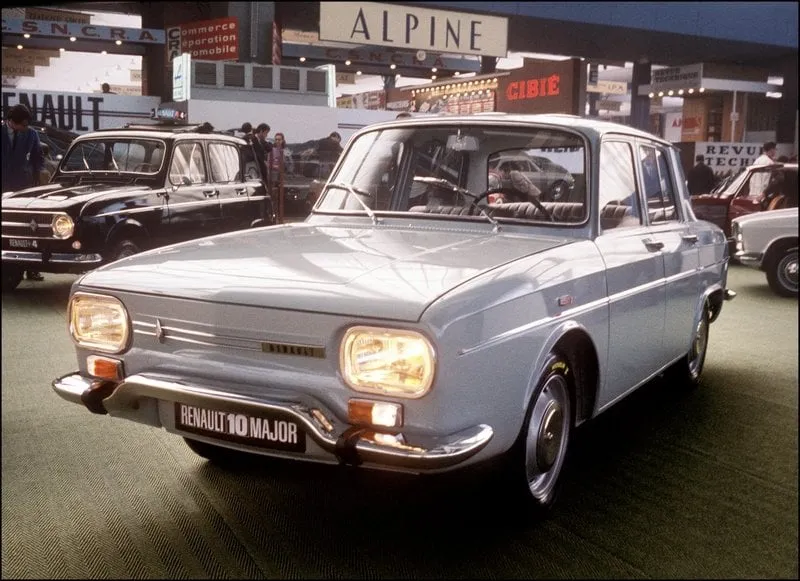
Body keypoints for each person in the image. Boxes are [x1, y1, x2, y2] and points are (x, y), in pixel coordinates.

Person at [2, 104, 45, 281]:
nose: (26, 128)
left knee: (29, 231)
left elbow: (38, 159)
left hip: (24, 188)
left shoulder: (31, 134)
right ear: (11, 122)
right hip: (3, 185)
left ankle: (32, 268)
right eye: (23, 125)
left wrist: (39, 180)